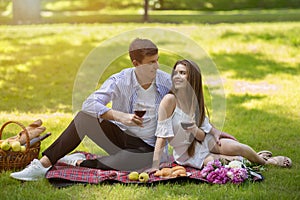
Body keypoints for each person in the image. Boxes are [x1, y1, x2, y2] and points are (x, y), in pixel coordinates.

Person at [10, 38, 172, 181]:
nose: (156, 66)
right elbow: (89, 104)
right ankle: (42, 165)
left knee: (124, 164)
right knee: (84, 117)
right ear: (136, 64)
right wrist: (120, 116)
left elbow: (189, 108)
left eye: (157, 60)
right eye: (151, 62)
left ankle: (77, 161)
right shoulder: (120, 80)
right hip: (120, 138)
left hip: (148, 149)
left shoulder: (166, 81)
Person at [150, 59, 292, 172]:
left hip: (206, 141)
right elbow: (161, 136)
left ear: (192, 78)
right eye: (176, 73)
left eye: (182, 73)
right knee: (227, 162)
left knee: (239, 147)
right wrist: (155, 165)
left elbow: (202, 132)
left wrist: (214, 131)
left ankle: (265, 161)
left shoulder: (194, 100)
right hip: (188, 154)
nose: (177, 77)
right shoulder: (169, 101)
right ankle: (255, 159)